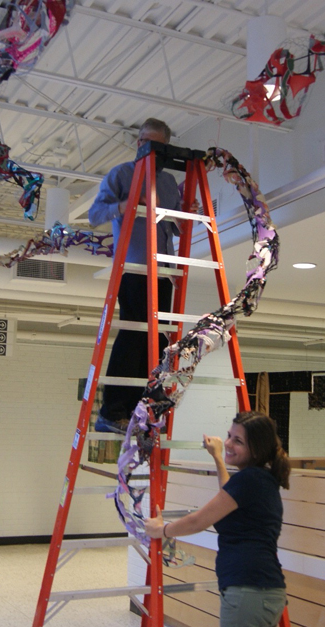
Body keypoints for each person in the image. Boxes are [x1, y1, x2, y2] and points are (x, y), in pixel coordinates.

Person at [144, 411, 292, 627]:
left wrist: (162, 530)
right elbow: (229, 493)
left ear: (256, 449)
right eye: (229, 436)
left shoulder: (249, 481)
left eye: (238, 441)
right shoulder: (261, 480)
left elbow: (200, 520)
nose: (228, 444)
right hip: (269, 595)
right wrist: (216, 456)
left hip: (246, 595)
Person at [88, 118, 181, 434]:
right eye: (141, 140)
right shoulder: (122, 174)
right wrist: (125, 205)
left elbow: (177, 223)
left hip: (163, 270)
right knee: (133, 334)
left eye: (152, 142)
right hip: (133, 267)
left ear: (164, 148)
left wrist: (187, 209)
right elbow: (95, 215)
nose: (144, 147)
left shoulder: (168, 183)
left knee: (156, 339)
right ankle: (113, 410)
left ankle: (139, 409)